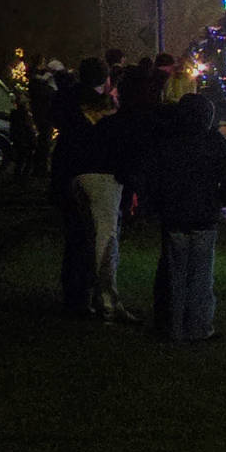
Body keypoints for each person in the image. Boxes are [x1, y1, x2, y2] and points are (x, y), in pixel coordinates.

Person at [139, 92, 226, 341]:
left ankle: (174, 326)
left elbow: (153, 178)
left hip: (174, 216)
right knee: (201, 276)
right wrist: (216, 202)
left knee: (175, 275)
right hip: (204, 218)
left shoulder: (168, 142)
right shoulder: (215, 143)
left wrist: (158, 205)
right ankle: (199, 327)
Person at [53, 58, 137, 323]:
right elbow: (120, 145)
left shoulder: (68, 102)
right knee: (104, 242)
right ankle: (107, 302)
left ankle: (77, 296)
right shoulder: (108, 108)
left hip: (71, 175)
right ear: (105, 79)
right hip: (103, 176)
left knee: (77, 239)